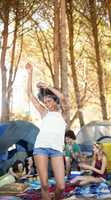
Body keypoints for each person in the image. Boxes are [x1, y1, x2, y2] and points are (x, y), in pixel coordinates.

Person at [25, 63, 67, 200]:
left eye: (49, 101)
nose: (47, 104)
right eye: (45, 102)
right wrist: (30, 73)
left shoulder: (63, 113)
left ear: (55, 101)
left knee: (61, 186)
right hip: (41, 148)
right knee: (44, 185)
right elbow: (29, 94)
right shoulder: (44, 112)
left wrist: (46, 86)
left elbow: (63, 97)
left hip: (56, 150)